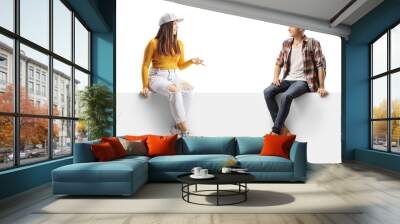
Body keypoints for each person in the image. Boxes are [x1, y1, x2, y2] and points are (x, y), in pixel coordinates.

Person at [140, 13, 204, 136]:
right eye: (175, 24)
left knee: (189, 90)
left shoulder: (179, 43)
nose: (177, 27)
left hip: (174, 76)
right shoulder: (153, 43)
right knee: (174, 91)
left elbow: (180, 65)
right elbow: (145, 66)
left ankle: (176, 127)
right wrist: (145, 85)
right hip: (157, 77)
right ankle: (185, 130)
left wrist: (192, 61)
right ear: (167, 26)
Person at [263, 27, 328, 136]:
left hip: (303, 81)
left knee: (286, 96)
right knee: (267, 92)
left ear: (302, 28)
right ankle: (282, 128)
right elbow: (278, 63)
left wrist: (321, 86)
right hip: (287, 79)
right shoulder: (286, 43)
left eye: (292, 26)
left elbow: (320, 66)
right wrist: (275, 78)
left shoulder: (313, 43)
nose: (288, 29)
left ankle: (275, 131)